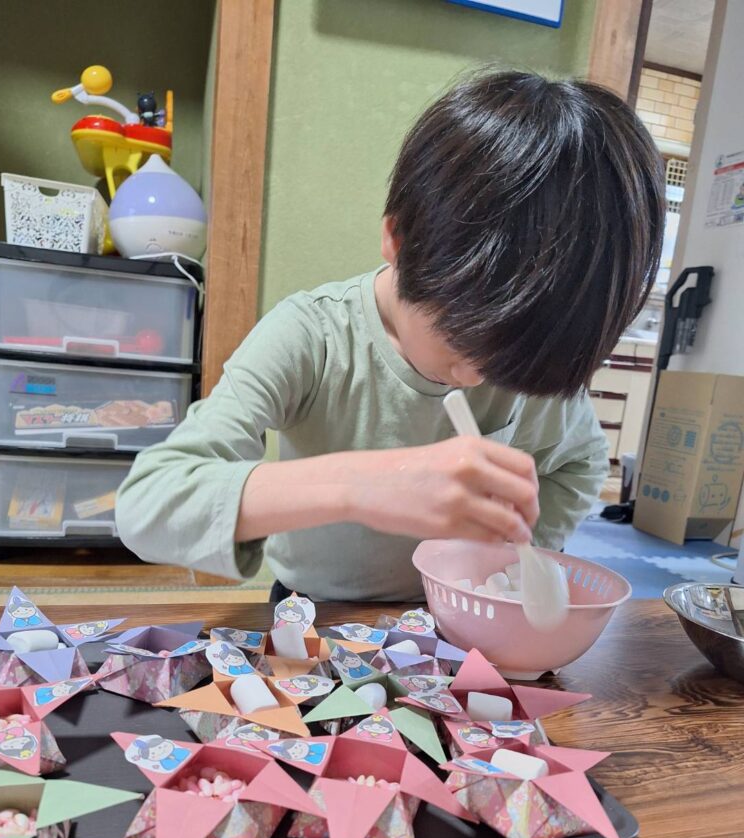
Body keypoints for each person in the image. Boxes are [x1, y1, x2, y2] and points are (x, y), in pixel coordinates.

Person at [116, 70, 664, 602]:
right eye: (463, 337)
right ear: (397, 240)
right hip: (313, 613)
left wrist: (512, 560)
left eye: (505, 359)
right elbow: (149, 505)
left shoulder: (526, 355)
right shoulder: (313, 336)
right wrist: (361, 485)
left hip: (456, 617)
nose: (478, 376)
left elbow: (580, 462)